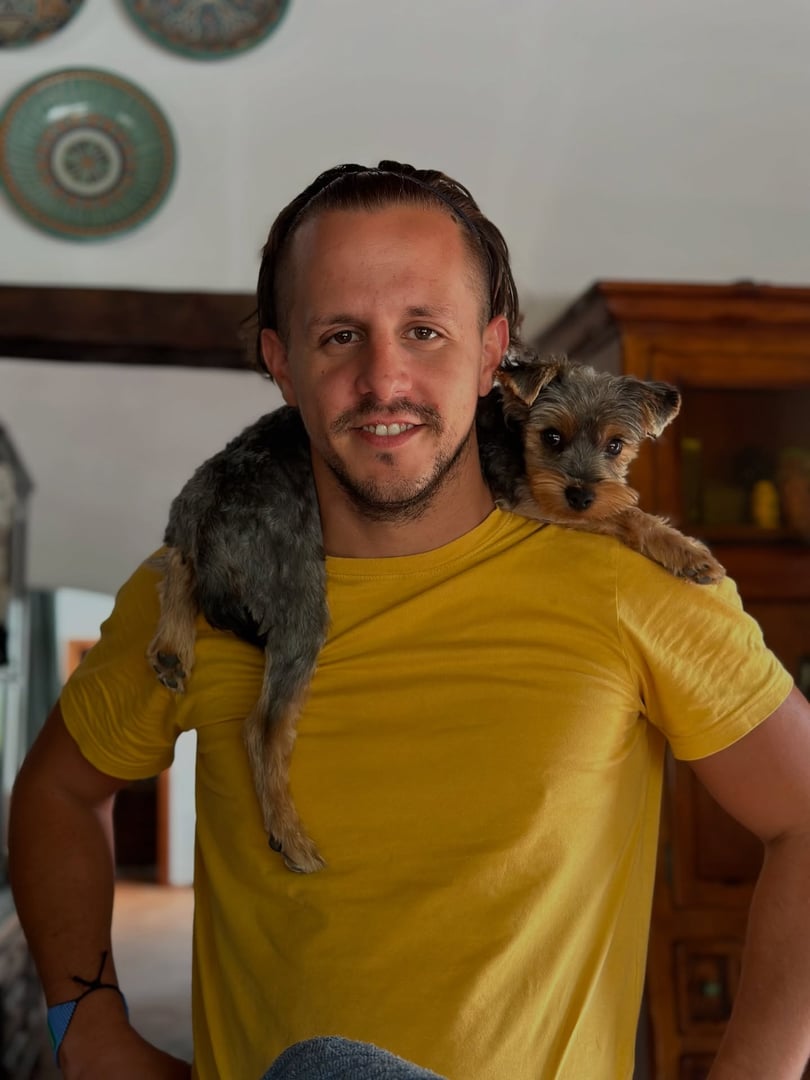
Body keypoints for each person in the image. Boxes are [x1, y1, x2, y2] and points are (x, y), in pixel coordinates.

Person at [8, 160, 810, 1080]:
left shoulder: (636, 589)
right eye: (339, 335)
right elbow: (57, 793)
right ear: (282, 362)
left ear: (492, 354)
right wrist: (88, 1027)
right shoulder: (192, 590)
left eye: (424, 331)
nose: (383, 378)